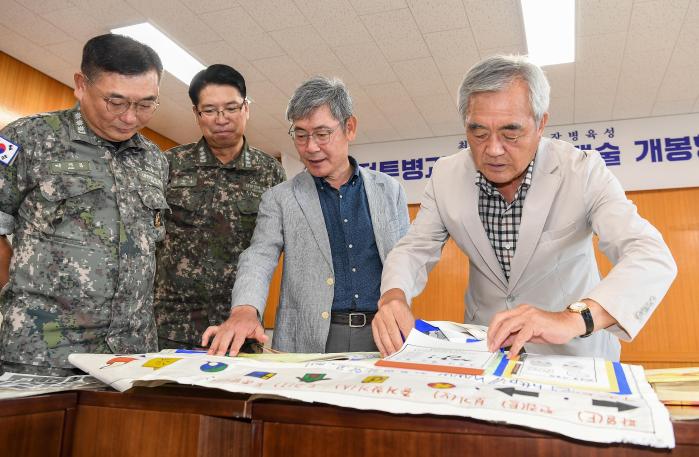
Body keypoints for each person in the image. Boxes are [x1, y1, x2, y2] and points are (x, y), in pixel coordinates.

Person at [374, 55, 677, 360]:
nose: (492, 150)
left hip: (573, 354)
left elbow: (650, 255)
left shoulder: (581, 171)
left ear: (541, 123)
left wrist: (574, 318)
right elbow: (413, 249)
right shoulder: (445, 176)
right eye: (478, 133)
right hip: (488, 350)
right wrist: (393, 296)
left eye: (511, 133)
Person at [202, 76, 409, 355]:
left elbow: (404, 260)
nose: (310, 147)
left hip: (381, 333)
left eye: (322, 134)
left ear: (350, 128)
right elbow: (259, 257)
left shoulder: (389, 190)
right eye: (301, 135)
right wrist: (245, 309)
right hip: (309, 338)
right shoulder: (280, 198)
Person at [0, 34, 168, 375]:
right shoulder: (27, 138)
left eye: (146, 104)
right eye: (116, 102)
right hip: (43, 350)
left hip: (130, 353)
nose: (130, 117)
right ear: (81, 84)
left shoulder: (154, 159)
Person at [154, 64, 285, 350]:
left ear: (246, 108)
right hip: (171, 323)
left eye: (231, 108)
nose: (221, 119)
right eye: (210, 110)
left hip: (240, 323)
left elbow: (271, 246)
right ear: (196, 114)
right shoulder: (169, 164)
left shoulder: (270, 172)